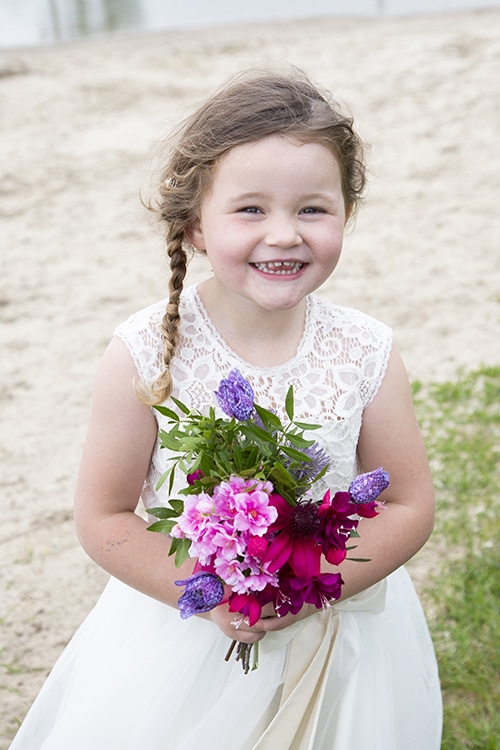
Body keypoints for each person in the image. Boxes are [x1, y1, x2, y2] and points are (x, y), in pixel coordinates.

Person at [10, 68, 442, 749]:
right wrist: (216, 595)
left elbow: (410, 505)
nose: (283, 234)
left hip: (340, 632)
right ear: (195, 227)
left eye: (312, 209)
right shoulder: (145, 354)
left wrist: (313, 585)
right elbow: (103, 516)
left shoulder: (367, 351)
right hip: (187, 634)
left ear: (346, 215)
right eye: (250, 209)